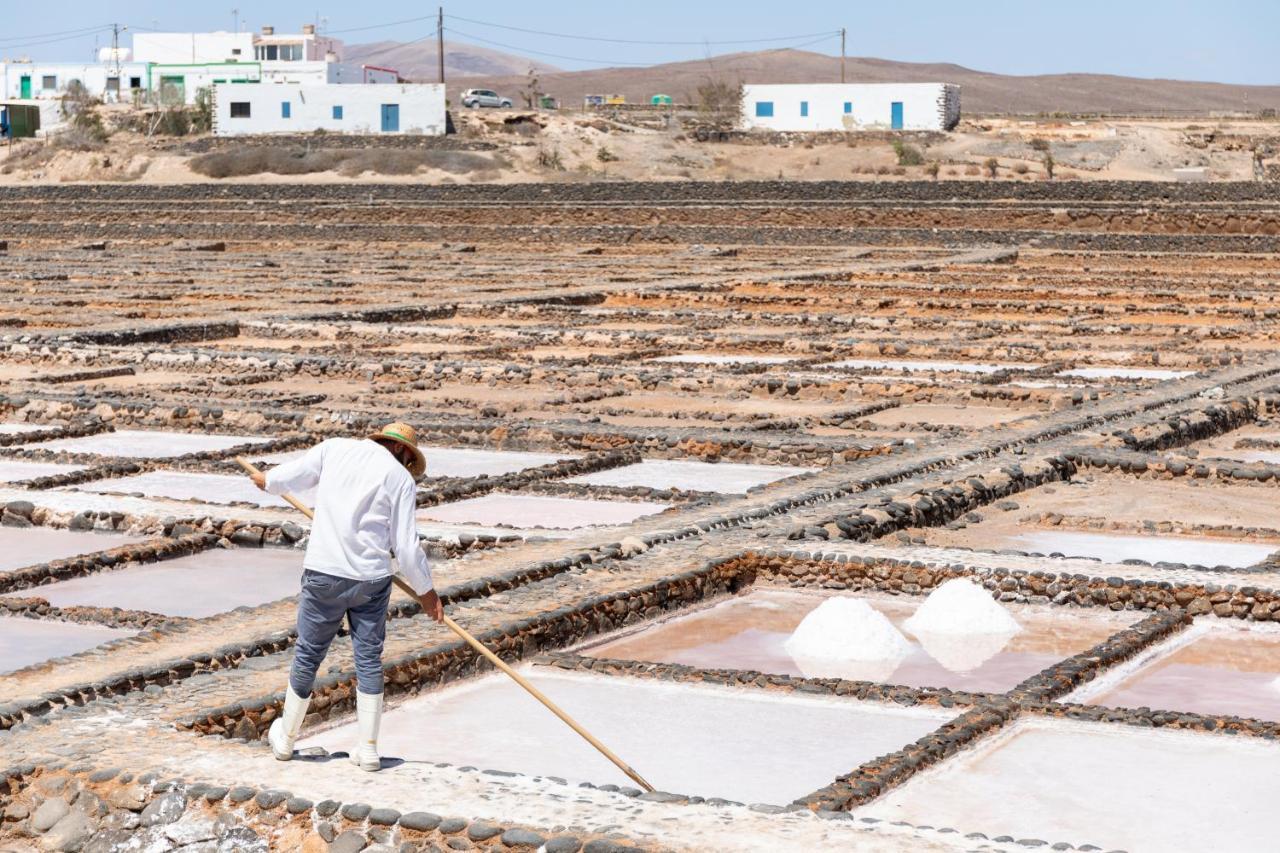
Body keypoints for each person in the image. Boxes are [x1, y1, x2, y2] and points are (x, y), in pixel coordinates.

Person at [251, 422, 444, 771]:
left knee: (309, 654)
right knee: (368, 658)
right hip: (370, 580)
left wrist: (268, 482)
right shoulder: (399, 479)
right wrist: (426, 591)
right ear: (402, 451)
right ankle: (368, 749)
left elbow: (290, 477)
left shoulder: (335, 448)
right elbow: (404, 546)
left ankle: (287, 740)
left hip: (324, 573)